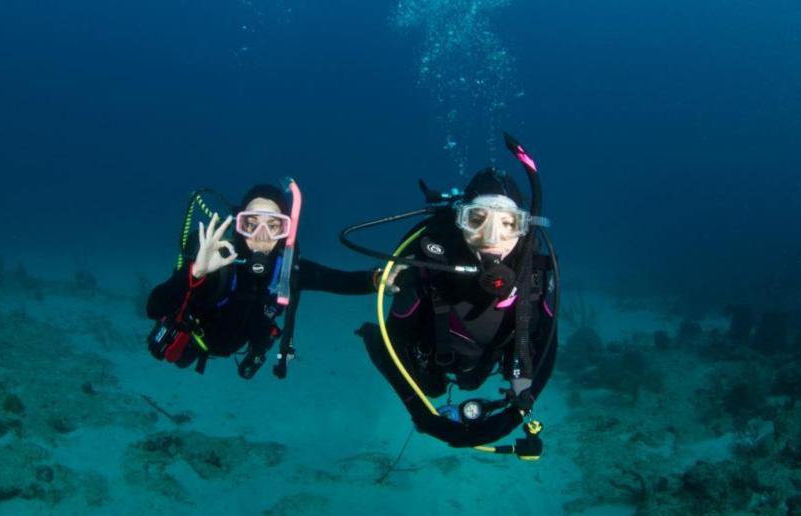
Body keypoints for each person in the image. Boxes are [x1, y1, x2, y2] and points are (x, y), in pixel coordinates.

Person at [344, 133, 559, 452]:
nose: (491, 237)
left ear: (524, 227)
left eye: (508, 223)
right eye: (477, 219)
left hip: (489, 362)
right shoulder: (430, 264)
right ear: (460, 222)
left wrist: (514, 414)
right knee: (429, 387)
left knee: (475, 377)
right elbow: (395, 342)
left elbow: (547, 348)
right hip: (433, 361)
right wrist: (422, 414)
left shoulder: (536, 274)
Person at [147, 182, 381, 379]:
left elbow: (341, 281)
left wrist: (379, 279)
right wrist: (196, 271)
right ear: (239, 226)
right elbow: (154, 308)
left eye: (273, 226)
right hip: (198, 342)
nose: (261, 237)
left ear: (285, 231)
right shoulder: (219, 264)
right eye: (251, 224)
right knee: (179, 361)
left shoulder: (288, 271)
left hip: (242, 346)